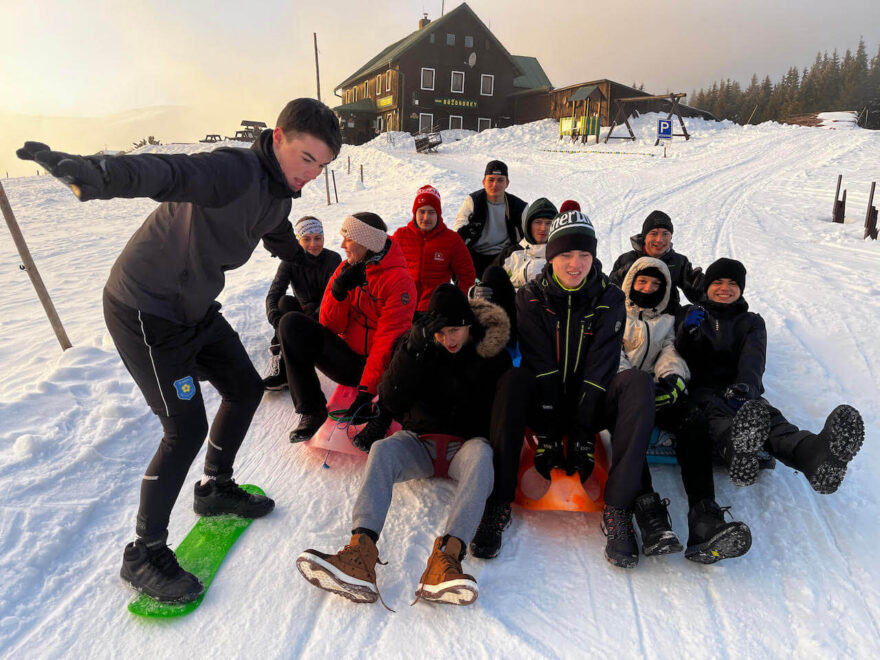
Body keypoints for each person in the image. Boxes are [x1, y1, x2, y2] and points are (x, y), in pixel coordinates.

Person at [17, 98, 342, 603]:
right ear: (278, 137)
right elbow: (166, 172)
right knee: (183, 427)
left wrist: (307, 264)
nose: (312, 174)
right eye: (307, 158)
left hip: (193, 308)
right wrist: (97, 174)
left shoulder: (280, 195)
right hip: (145, 309)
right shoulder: (232, 170)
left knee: (244, 386)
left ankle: (215, 488)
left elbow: (275, 229)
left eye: (323, 166)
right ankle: (143, 553)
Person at [296, 284, 511, 607]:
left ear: (469, 325)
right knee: (383, 450)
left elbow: (503, 411)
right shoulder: (417, 347)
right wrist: (413, 351)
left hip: (465, 446)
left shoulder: (491, 354)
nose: (448, 339)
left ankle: (446, 561)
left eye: (455, 331)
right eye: (440, 333)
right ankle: (360, 552)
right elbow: (392, 400)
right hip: (419, 443)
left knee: (482, 456)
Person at [472, 211, 649, 569]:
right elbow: (541, 364)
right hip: (544, 399)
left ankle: (617, 511)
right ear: (550, 256)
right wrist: (550, 432)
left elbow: (601, 366)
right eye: (566, 255)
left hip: (593, 399)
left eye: (584, 255)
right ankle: (498, 502)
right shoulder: (530, 297)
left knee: (638, 383)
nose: (575, 264)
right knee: (513, 380)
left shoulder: (610, 297)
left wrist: (584, 433)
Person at [675, 258, 864, 496]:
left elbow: (753, 359)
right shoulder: (690, 314)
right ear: (707, 286)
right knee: (717, 414)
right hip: (701, 390)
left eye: (733, 283)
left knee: (769, 418)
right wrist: (686, 331)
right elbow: (678, 356)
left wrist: (746, 388)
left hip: (739, 389)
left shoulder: (751, 321)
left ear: (741, 289)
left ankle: (813, 455)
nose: (725, 288)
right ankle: (737, 451)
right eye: (718, 282)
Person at [620, 258, 751, 564]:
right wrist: (634, 385)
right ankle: (651, 518)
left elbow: (671, 351)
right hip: (625, 393)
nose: (649, 288)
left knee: (693, 420)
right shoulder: (615, 315)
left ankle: (704, 518)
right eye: (643, 282)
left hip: (658, 392)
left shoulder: (668, 320)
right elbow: (611, 353)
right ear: (631, 283)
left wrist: (672, 379)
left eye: (656, 284)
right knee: (629, 431)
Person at [282, 212, 416, 442]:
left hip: (383, 372)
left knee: (407, 345)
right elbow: (330, 327)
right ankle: (312, 410)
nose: (342, 245)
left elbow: (387, 341)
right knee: (291, 323)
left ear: (368, 243)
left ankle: (382, 414)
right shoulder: (347, 267)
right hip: (349, 361)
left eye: (349, 239)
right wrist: (338, 292)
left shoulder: (399, 280)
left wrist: (365, 393)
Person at [262, 215, 341, 391]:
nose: (313, 244)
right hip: (302, 314)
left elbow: (334, 297)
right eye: (306, 239)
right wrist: (275, 318)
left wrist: (306, 319)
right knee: (284, 302)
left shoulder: (333, 259)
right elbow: (274, 293)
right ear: (298, 241)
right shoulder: (289, 262)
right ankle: (284, 373)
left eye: (318, 238)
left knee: (304, 312)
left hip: (327, 315)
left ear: (323, 238)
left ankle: (294, 352)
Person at [392, 185, 475, 312]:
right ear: (415, 213)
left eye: (431, 212)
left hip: (435, 308)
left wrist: (458, 301)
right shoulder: (401, 236)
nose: (426, 218)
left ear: (438, 214)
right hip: (403, 305)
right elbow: (387, 269)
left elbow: (467, 274)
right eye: (422, 212)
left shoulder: (451, 239)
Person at [609, 210, 703, 314]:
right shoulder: (627, 259)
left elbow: (700, 299)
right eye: (653, 233)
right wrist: (622, 275)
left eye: (665, 234)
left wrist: (699, 289)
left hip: (667, 322)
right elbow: (609, 293)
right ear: (645, 237)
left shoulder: (679, 262)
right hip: (631, 321)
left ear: (671, 237)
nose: (659, 240)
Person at [453, 160, 527, 276]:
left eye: (500, 180)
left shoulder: (518, 206)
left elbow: (530, 233)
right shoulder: (473, 201)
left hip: (505, 255)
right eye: (491, 180)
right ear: (484, 182)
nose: (495, 184)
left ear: (507, 183)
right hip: (476, 254)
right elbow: (459, 226)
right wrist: (466, 231)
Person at [490, 196, 556, 289]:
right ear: (529, 225)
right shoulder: (510, 254)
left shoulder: (561, 255)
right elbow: (489, 283)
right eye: (538, 222)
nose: (543, 228)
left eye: (549, 223)